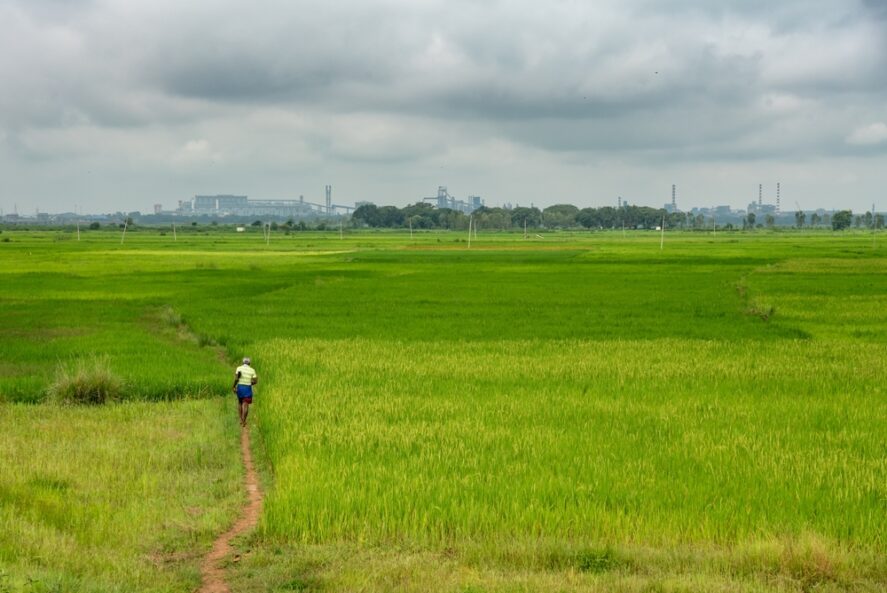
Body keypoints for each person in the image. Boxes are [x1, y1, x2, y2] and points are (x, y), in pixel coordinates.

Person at [232, 357, 258, 427]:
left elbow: (237, 379)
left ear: (243, 362)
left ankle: (240, 419)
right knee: (245, 404)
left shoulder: (239, 368)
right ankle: (244, 421)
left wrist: (233, 386)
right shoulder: (252, 370)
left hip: (240, 387)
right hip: (247, 388)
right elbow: (255, 381)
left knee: (240, 403)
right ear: (249, 363)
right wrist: (250, 383)